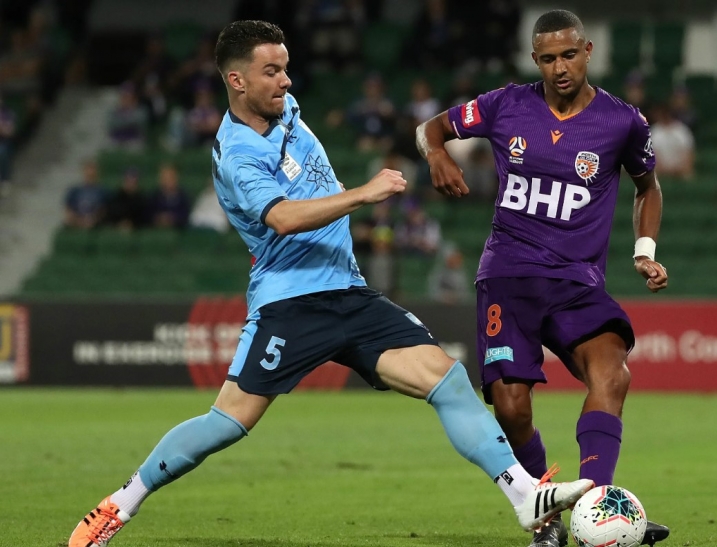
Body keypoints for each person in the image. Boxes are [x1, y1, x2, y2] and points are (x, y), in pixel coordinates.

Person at [68, 20, 594, 547]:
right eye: (271, 71)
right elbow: (283, 218)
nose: (285, 80)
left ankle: (524, 497)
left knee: (448, 380)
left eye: (285, 68)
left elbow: (305, 174)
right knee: (228, 421)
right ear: (236, 81)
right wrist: (363, 193)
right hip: (292, 302)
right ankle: (119, 505)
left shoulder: (283, 110)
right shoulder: (239, 153)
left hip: (348, 292)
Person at [416, 10, 670, 547]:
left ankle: (597, 507)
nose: (560, 67)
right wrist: (436, 153)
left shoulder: (623, 121)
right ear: (535, 59)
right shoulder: (505, 104)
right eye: (549, 58)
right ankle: (547, 517)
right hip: (508, 275)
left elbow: (648, 187)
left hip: (577, 282)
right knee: (510, 407)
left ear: (587, 51)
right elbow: (430, 127)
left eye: (569, 55)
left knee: (613, 376)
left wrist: (644, 251)